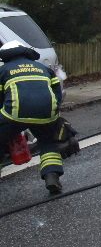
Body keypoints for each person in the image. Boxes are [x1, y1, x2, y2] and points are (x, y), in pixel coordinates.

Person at [0, 40, 79, 194]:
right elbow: (56, 93)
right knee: (48, 142)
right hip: (46, 113)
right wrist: (53, 112)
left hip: (14, 113)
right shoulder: (43, 68)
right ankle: (52, 176)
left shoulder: (4, 70)